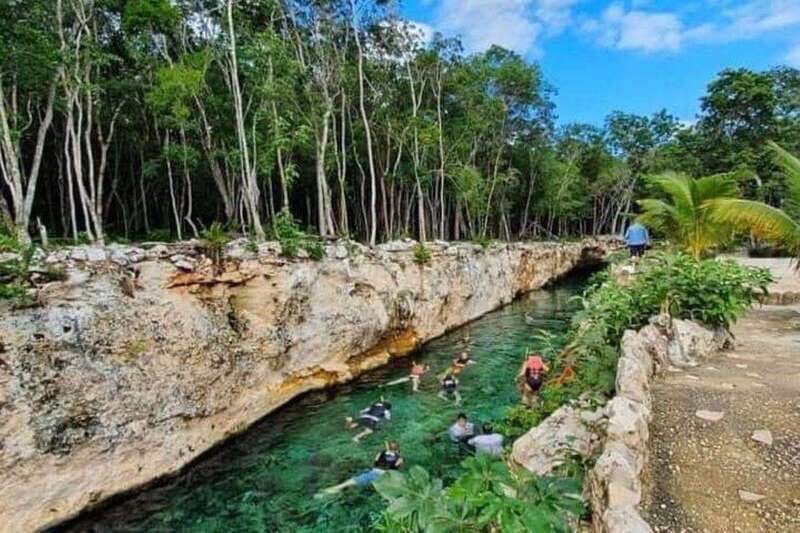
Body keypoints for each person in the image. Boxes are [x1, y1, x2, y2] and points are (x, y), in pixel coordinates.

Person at [316, 442, 403, 497]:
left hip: (371, 473)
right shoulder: (399, 458)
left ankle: (323, 494)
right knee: (388, 495)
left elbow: (375, 462)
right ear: (398, 450)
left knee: (345, 485)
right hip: (384, 477)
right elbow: (395, 469)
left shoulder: (381, 453)